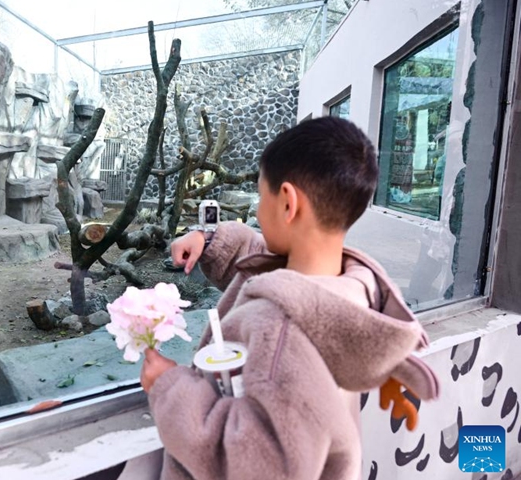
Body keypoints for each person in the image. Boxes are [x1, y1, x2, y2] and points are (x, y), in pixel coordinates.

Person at [139, 117, 440, 480]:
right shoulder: (348, 286)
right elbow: (266, 263)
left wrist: (171, 390)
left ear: (286, 203)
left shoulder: (281, 328)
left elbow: (262, 464)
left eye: (261, 197)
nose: (255, 212)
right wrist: (211, 240)